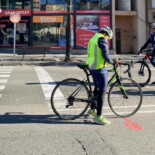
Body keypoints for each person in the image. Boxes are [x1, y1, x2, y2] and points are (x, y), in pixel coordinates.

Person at [86, 26, 117, 125]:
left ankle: (92, 109)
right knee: (103, 90)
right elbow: (105, 54)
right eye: (108, 37)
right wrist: (112, 62)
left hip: (92, 65)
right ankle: (99, 116)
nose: (107, 39)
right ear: (107, 34)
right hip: (99, 67)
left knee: (97, 88)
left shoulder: (94, 37)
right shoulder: (102, 39)